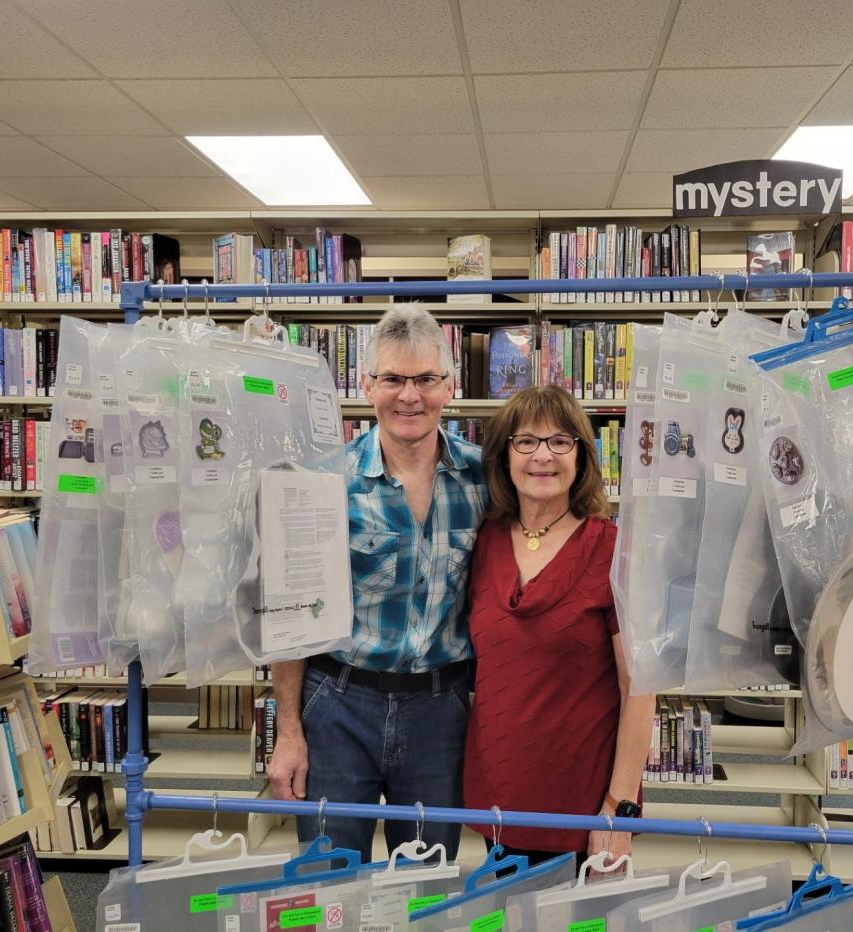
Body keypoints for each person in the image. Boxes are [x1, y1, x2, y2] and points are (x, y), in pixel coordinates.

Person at [266, 303, 487, 860]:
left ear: (449, 386)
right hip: (339, 704)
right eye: (393, 378)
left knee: (425, 887)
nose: (409, 396)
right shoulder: (322, 483)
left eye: (425, 380)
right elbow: (293, 618)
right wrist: (288, 732)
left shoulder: (487, 480)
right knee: (329, 883)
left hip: (442, 710)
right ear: (367, 386)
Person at [463, 385, 656, 865]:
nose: (542, 456)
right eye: (525, 441)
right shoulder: (484, 541)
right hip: (498, 793)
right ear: (505, 456)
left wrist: (618, 809)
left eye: (560, 441)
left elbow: (640, 686)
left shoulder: (612, 550)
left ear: (582, 455)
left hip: (582, 804)